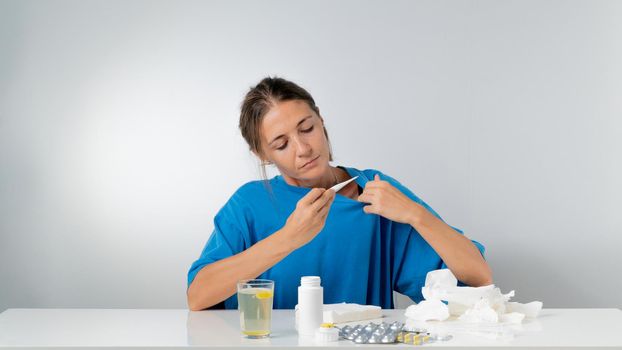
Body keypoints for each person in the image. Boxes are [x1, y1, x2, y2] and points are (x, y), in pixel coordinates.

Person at [187, 77, 492, 311]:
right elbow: (199, 296)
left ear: (320, 119)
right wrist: (289, 237)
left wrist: (415, 214)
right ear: (262, 154)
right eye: (281, 144)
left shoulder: (372, 192)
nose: (303, 149)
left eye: (306, 128)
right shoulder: (248, 205)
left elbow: (478, 277)